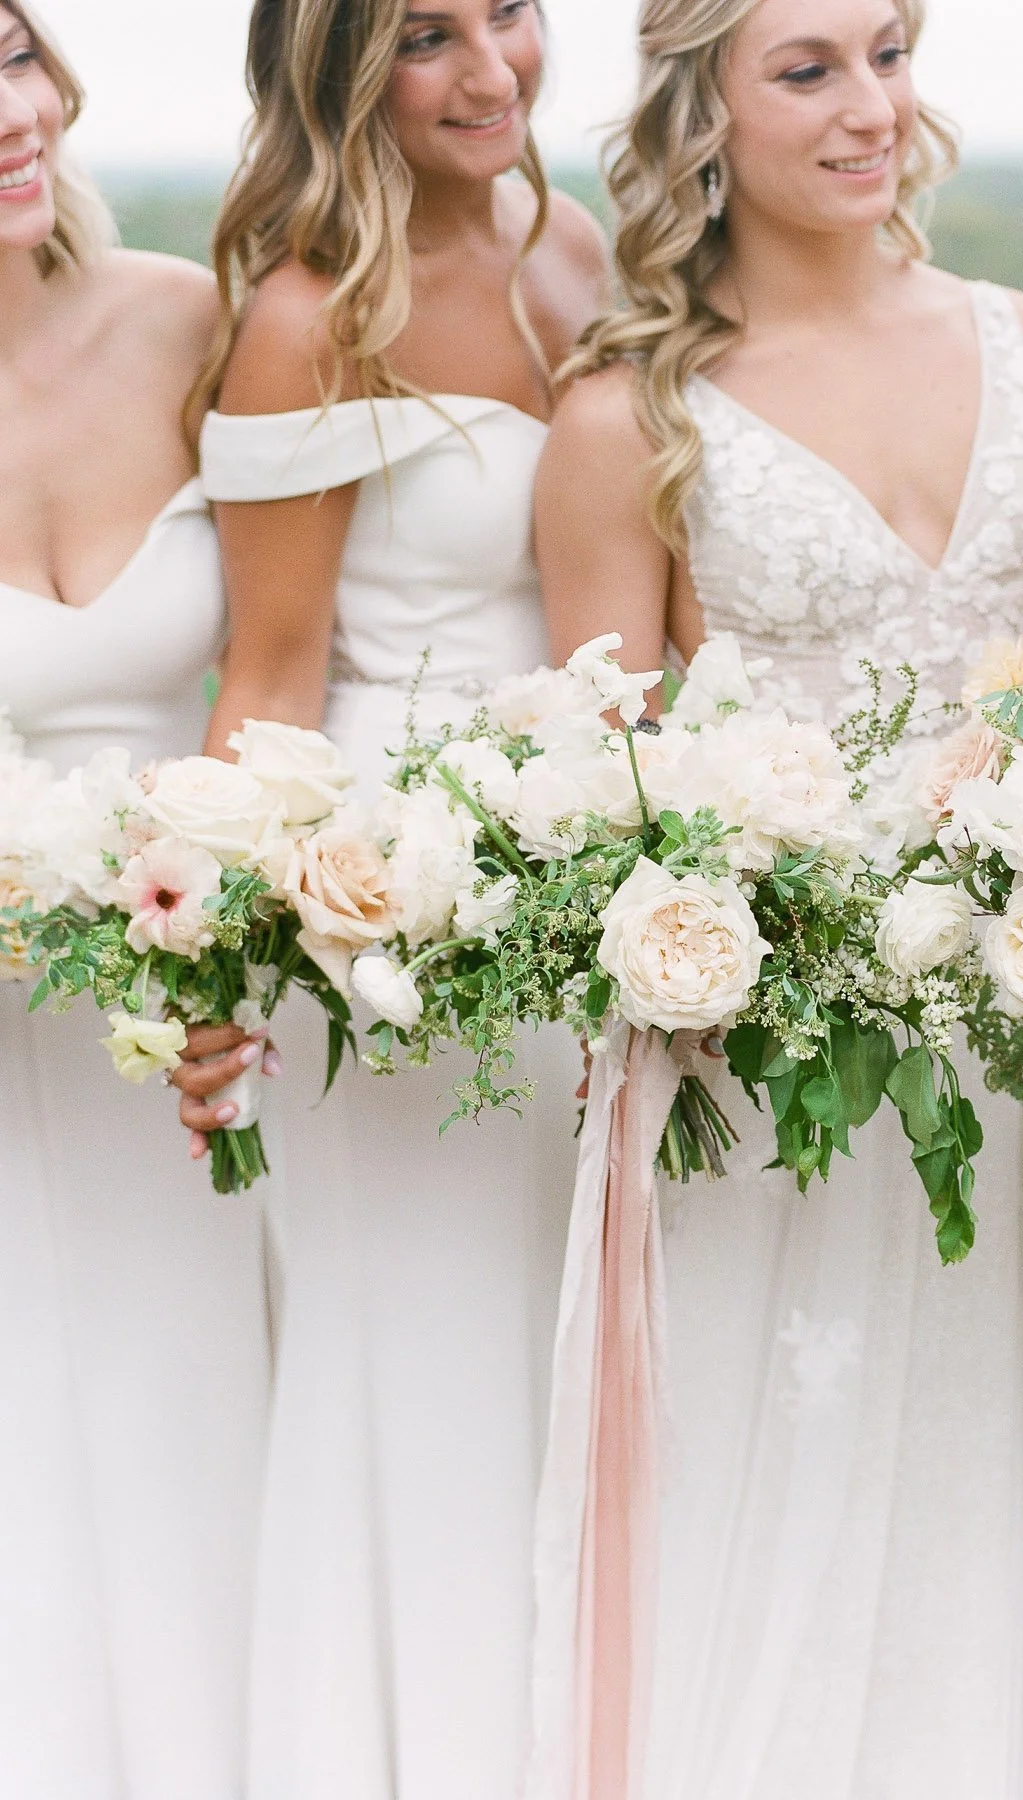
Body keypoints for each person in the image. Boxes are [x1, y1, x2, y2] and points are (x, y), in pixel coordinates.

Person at [531, 0, 1023, 1792]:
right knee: (803, 1523)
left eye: (890, 53)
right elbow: (603, 795)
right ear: (699, 112)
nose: (870, 108)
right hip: (789, 1073)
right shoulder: (625, 418)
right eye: (807, 69)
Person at [178, 2, 609, 1793]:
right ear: (340, 66)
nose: (492, 69)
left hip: (589, 895)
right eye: (426, 35)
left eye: (508, 10)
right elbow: (268, 675)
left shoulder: (569, 247)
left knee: (562, 1383)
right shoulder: (308, 318)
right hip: (387, 930)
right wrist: (209, 966)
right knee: (423, 1386)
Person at [0, 7, 272, 1796]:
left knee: (216, 1448)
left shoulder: (190, 322)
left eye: (11, 53)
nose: (7, 112)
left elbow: (296, 652)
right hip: (14, 1049)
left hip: (209, 1018)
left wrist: (229, 921)